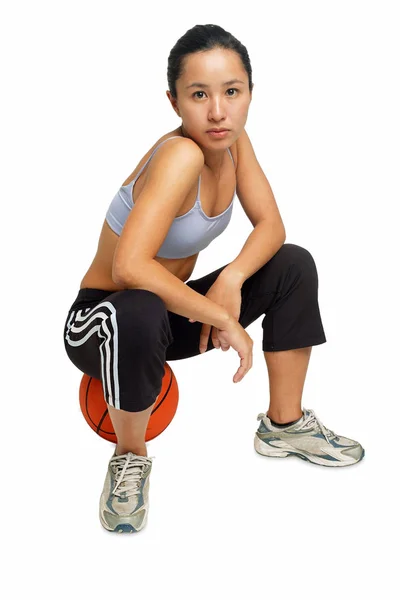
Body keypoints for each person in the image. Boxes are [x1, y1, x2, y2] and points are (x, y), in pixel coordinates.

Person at [63, 23, 365, 534]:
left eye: (232, 92)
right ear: (174, 101)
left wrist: (233, 279)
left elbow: (271, 225)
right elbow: (129, 268)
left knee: (292, 264)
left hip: (170, 316)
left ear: (249, 93)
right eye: (199, 94)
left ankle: (284, 426)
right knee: (139, 305)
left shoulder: (234, 142)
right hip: (101, 323)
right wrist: (223, 315)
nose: (218, 110)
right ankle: (129, 459)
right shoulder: (180, 155)